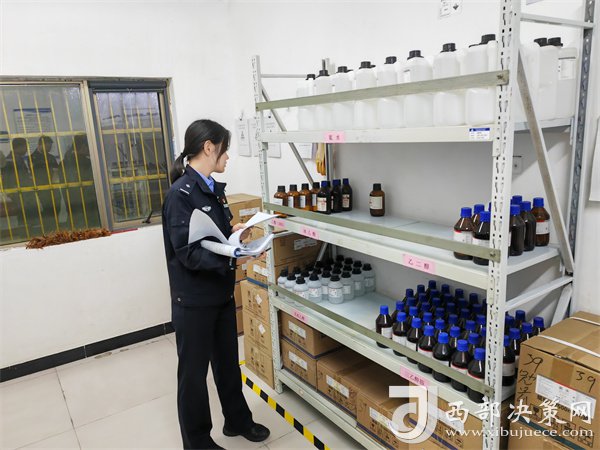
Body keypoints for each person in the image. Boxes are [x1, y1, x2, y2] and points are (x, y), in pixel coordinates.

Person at [162, 119, 270, 450]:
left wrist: (235, 234)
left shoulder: (212, 187)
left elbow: (214, 237)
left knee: (227, 364)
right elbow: (188, 252)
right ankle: (197, 442)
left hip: (220, 294)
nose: (228, 156)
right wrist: (233, 258)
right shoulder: (181, 194)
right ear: (209, 147)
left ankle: (237, 420)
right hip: (194, 301)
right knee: (193, 376)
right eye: (225, 149)